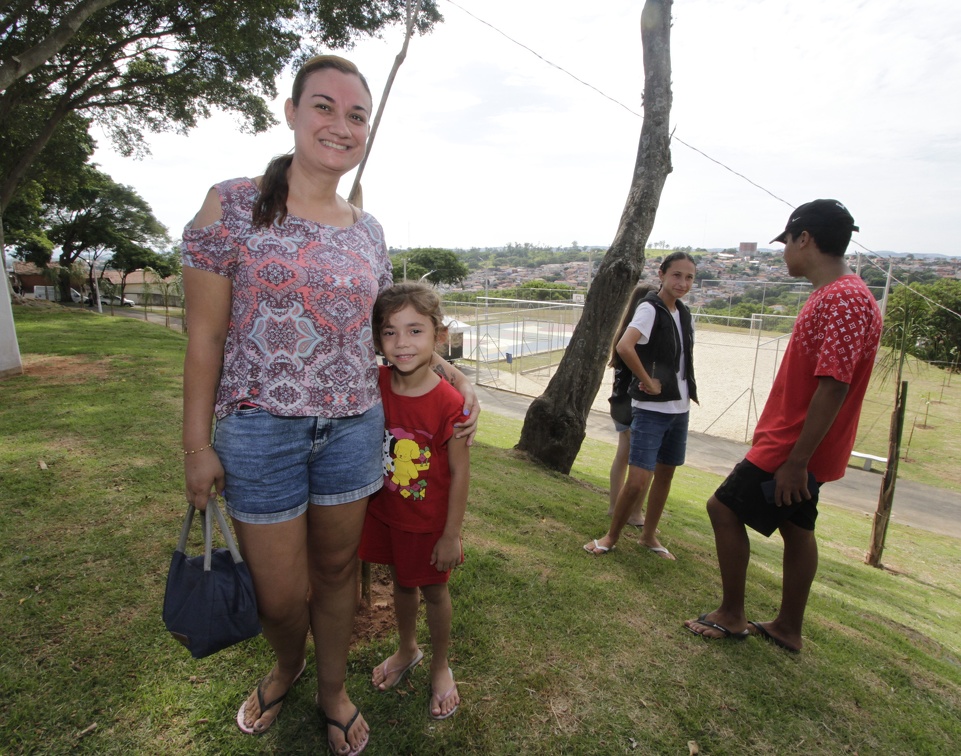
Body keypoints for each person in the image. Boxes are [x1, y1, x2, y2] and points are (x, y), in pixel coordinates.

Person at [180, 55, 478, 755]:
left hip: (351, 430)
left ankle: (332, 689)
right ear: (290, 112)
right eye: (323, 106)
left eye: (356, 114)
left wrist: (452, 373)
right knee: (281, 595)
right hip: (258, 431)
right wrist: (197, 444)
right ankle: (287, 665)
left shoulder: (368, 231)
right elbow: (204, 335)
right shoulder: (232, 203)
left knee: (340, 572)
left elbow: (383, 335)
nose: (340, 125)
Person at [684, 199, 882, 653]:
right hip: (799, 444)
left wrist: (797, 462)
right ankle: (788, 627)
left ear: (805, 238)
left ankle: (731, 615)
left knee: (723, 509)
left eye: (787, 242)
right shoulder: (837, 294)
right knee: (798, 528)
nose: (784, 252)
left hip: (792, 445)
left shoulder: (845, 298)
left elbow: (834, 384)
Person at [359, 283, 469, 721]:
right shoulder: (376, 382)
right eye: (389, 332)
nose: (402, 343)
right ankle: (408, 648)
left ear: (438, 336)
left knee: (434, 591)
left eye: (415, 330)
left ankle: (440, 665)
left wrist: (451, 534)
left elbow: (460, 472)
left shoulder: (451, 403)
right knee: (403, 583)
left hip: (429, 524)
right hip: (385, 514)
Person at [584, 252, 699, 560]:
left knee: (665, 475)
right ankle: (610, 537)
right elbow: (624, 345)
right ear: (661, 274)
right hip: (651, 410)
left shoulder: (683, 312)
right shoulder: (650, 308)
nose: (683, 283)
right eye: (676, 275)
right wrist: (647, 380)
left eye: (689, 277)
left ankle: (648, 536)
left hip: (679, 409)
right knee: (637, 481)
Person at [607, 283, 657, 525]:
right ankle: (635, 513)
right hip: (631, 405)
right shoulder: (638, 335)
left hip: (618, 403)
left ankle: (614, 506)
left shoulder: (623, 330)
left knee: (622, 456)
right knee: (643, 461)